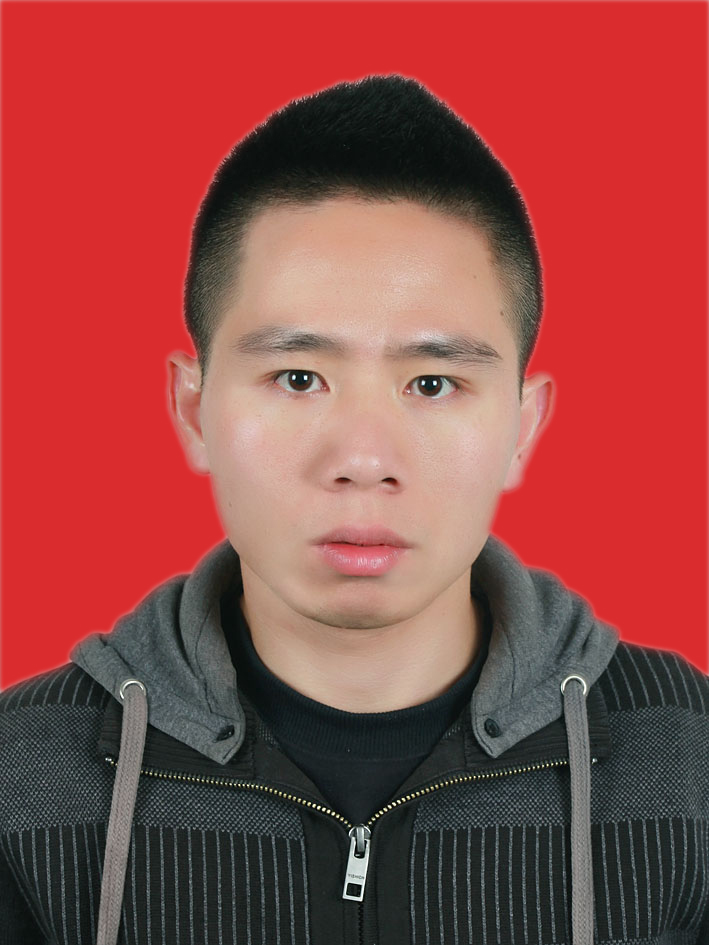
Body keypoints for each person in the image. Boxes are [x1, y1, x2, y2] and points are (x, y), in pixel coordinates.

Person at [1, 74, 707, 945]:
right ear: (192, 410)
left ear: (523, 427)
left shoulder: (686, 756)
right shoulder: (22, 773)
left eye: (433, 383)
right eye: (298, 378)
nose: (363, 460)